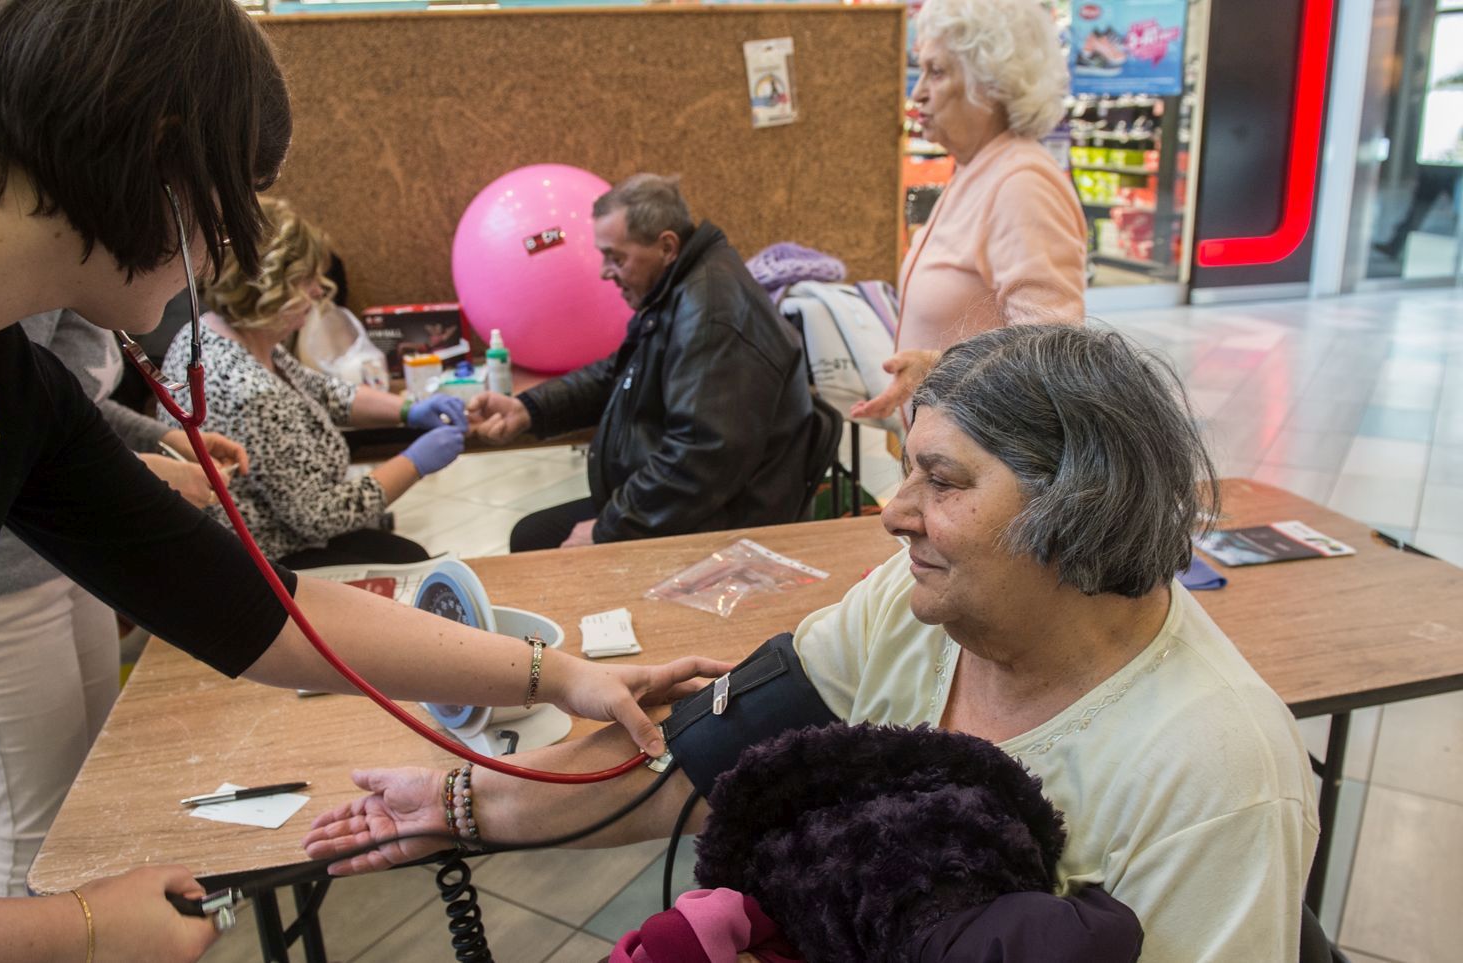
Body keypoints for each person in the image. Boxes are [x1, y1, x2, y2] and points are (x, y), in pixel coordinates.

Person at [0, 2, 726, 960]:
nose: (221, 253)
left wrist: (562, 675)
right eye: (232, 200)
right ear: (163, 158)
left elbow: (255, 607)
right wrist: (78, 929)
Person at [307, 325, 1319, 961]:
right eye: (906, 470)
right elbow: (707, 761)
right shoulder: (911, 608)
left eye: (943, 481)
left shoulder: (1218, 774)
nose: (894, 513)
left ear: (1077, 508)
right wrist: (468, 804)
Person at [0, 309, 249, 899]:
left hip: (65, 560)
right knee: (33, 828)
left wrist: (157, 437)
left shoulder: (68, 301)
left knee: (88, 800)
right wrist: (138, 472)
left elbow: (63, 404)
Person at [466, 174, 823, 551]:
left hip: (724, 526)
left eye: (616, 257)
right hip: (695, 507)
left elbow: (698, 460)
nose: (604, 272)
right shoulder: (679, 287)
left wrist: (607, 530)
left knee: (534, 540)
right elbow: (619, 373)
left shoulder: (711, 315)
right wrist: (529, 409)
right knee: (531, 534)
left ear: (667, 246)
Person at [160, 196, 462, 568]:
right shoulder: (252, 391)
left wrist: (407, 409)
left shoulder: (212, 332)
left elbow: (318, 389)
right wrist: (415, 462)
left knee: (404, 554)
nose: (319, 290)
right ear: (268, 285)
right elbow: (320, 515)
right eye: (306, 280)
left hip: (273, 534)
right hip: (268, 558)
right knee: (412, 561)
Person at [852, 0, 1088, 426]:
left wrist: (938, 368)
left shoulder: (1021, 185)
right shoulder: (977, 168)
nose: (918, 92)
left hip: (985, 454)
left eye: (937, 72)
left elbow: (1052, 360)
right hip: (955, 444)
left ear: (990, 84)